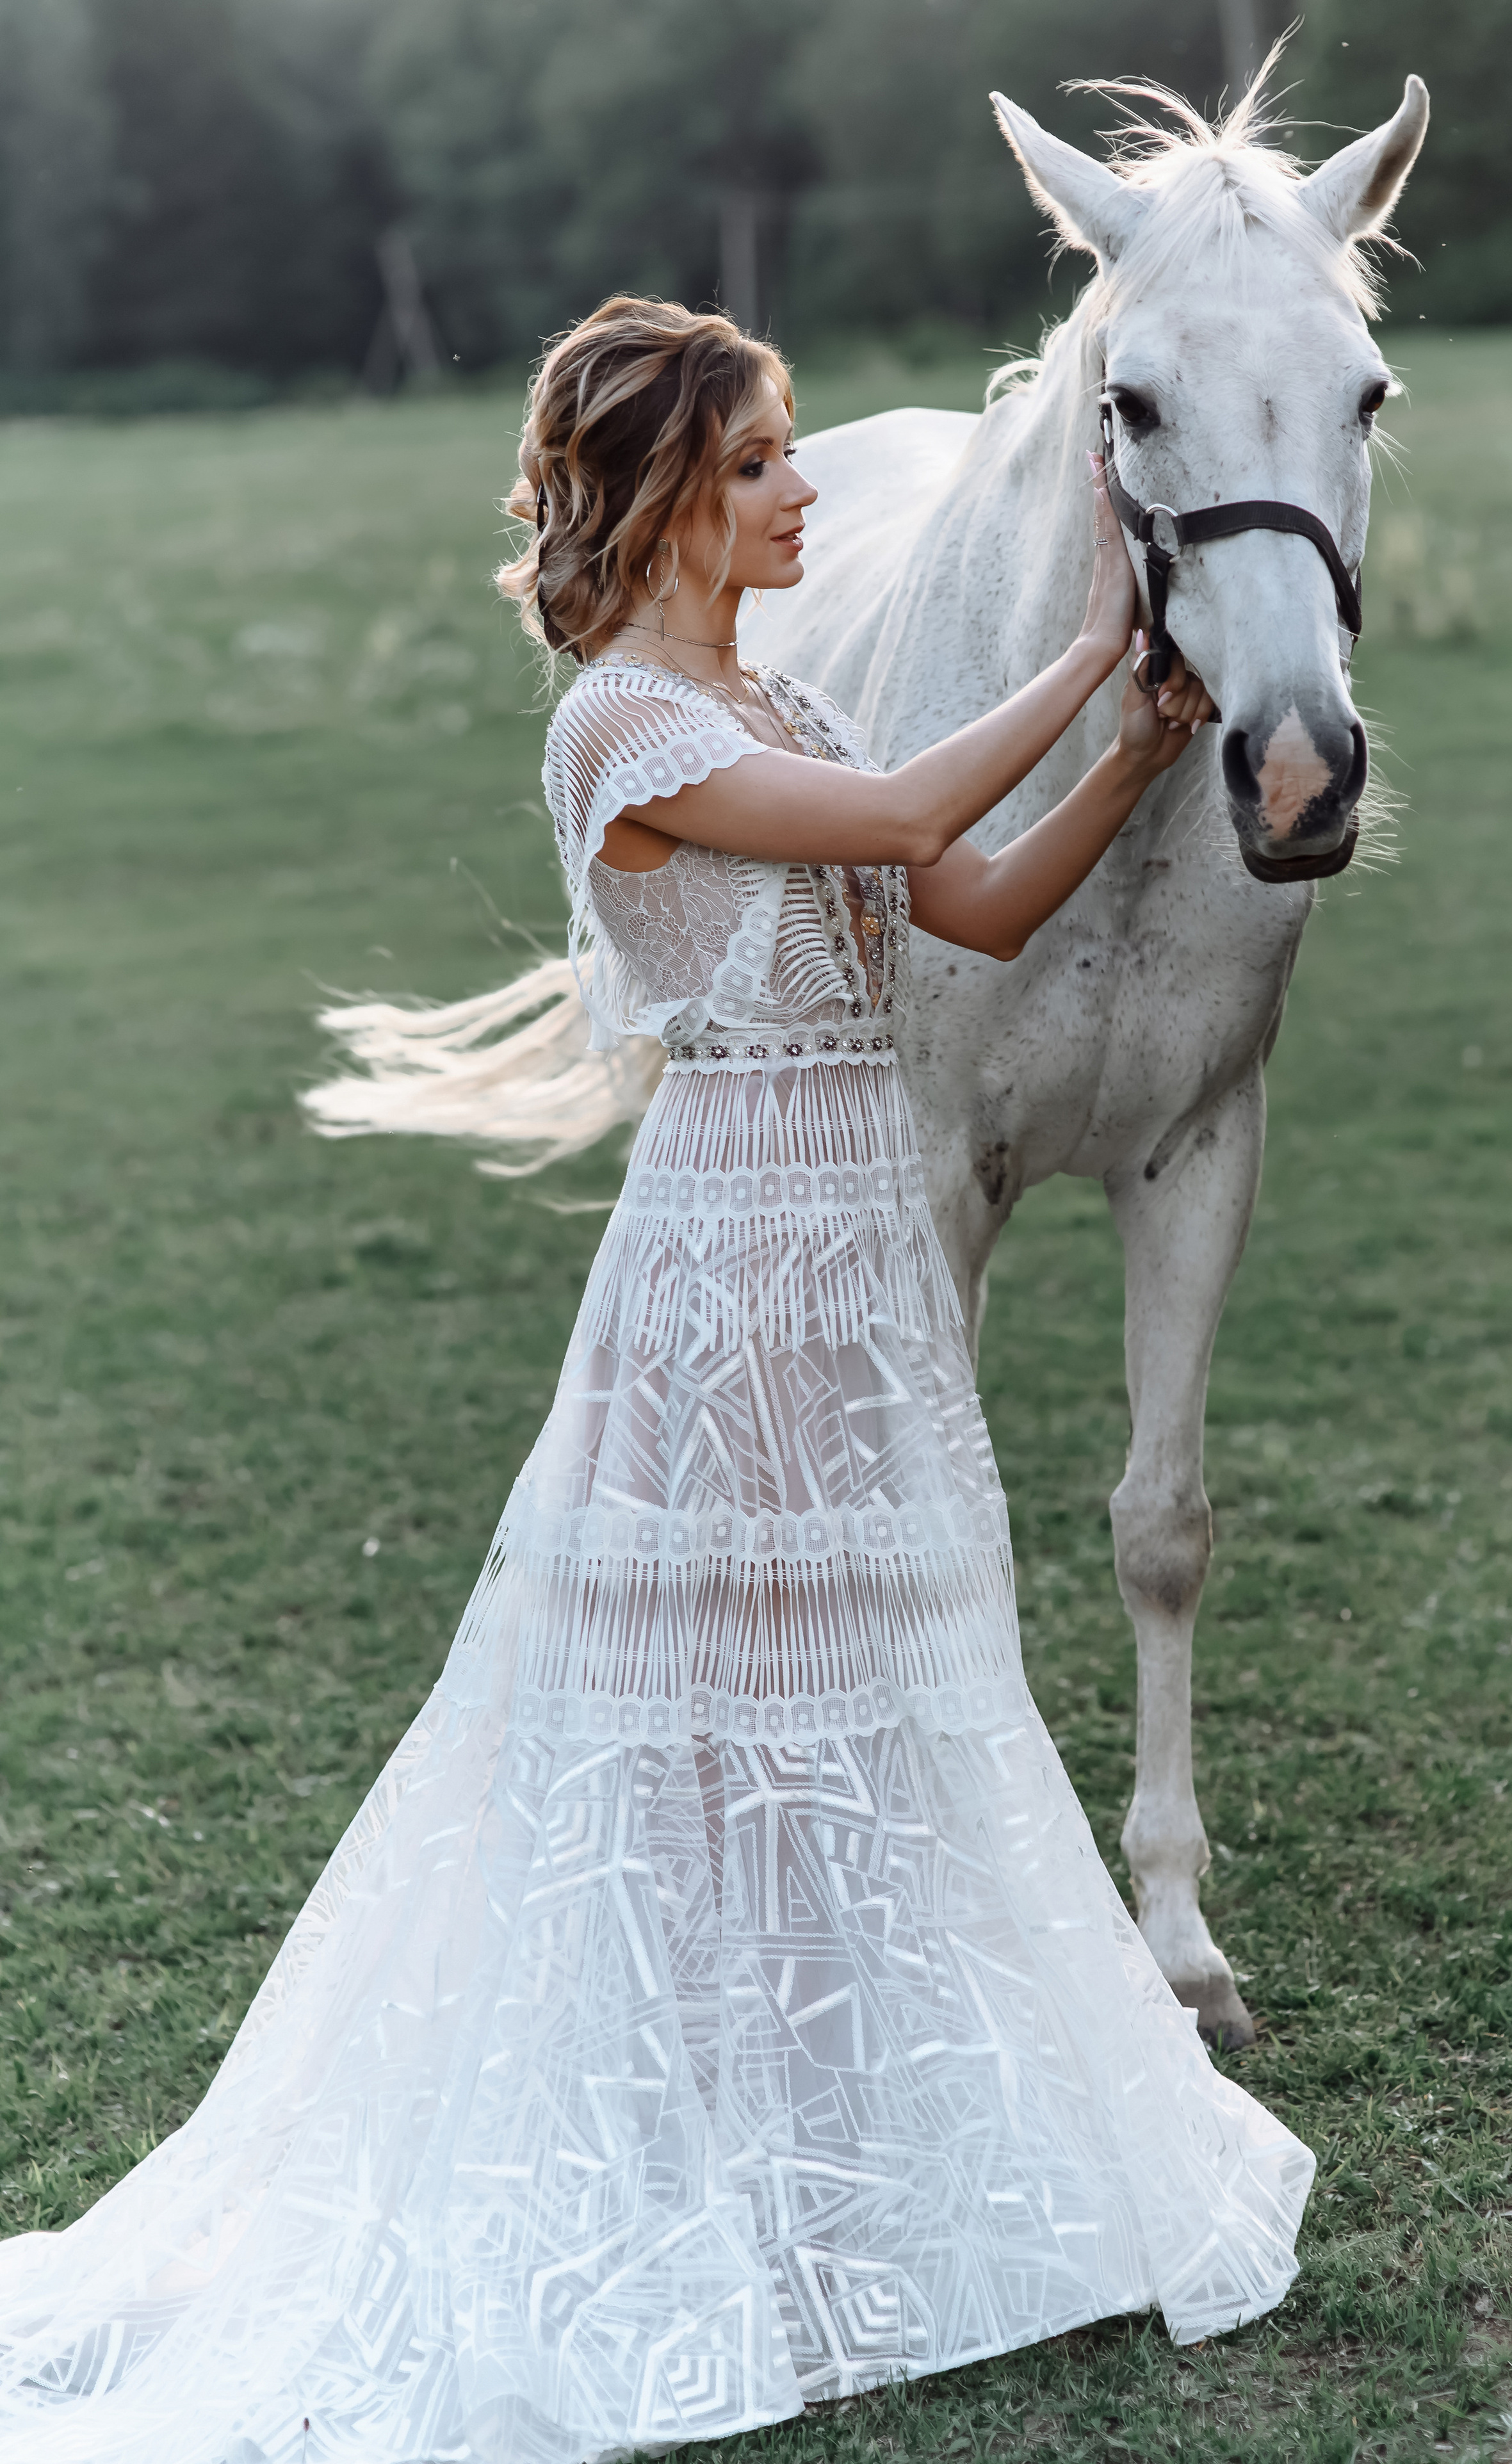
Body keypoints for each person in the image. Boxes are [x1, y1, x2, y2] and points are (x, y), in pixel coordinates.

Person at [0, 297, 1311, 2464]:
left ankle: (830, 2120)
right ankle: (683, 2122)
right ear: (675, 497)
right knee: (696, 1718)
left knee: (877, 1679)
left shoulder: (763, 689)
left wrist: (1146, 757)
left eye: (797, 456)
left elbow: (965, 897)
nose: (807, 488)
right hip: (724, 1262)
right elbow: (903, 802)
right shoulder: (623, 731)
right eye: (769, 461)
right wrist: (1094, 638)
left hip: (848, 1256)